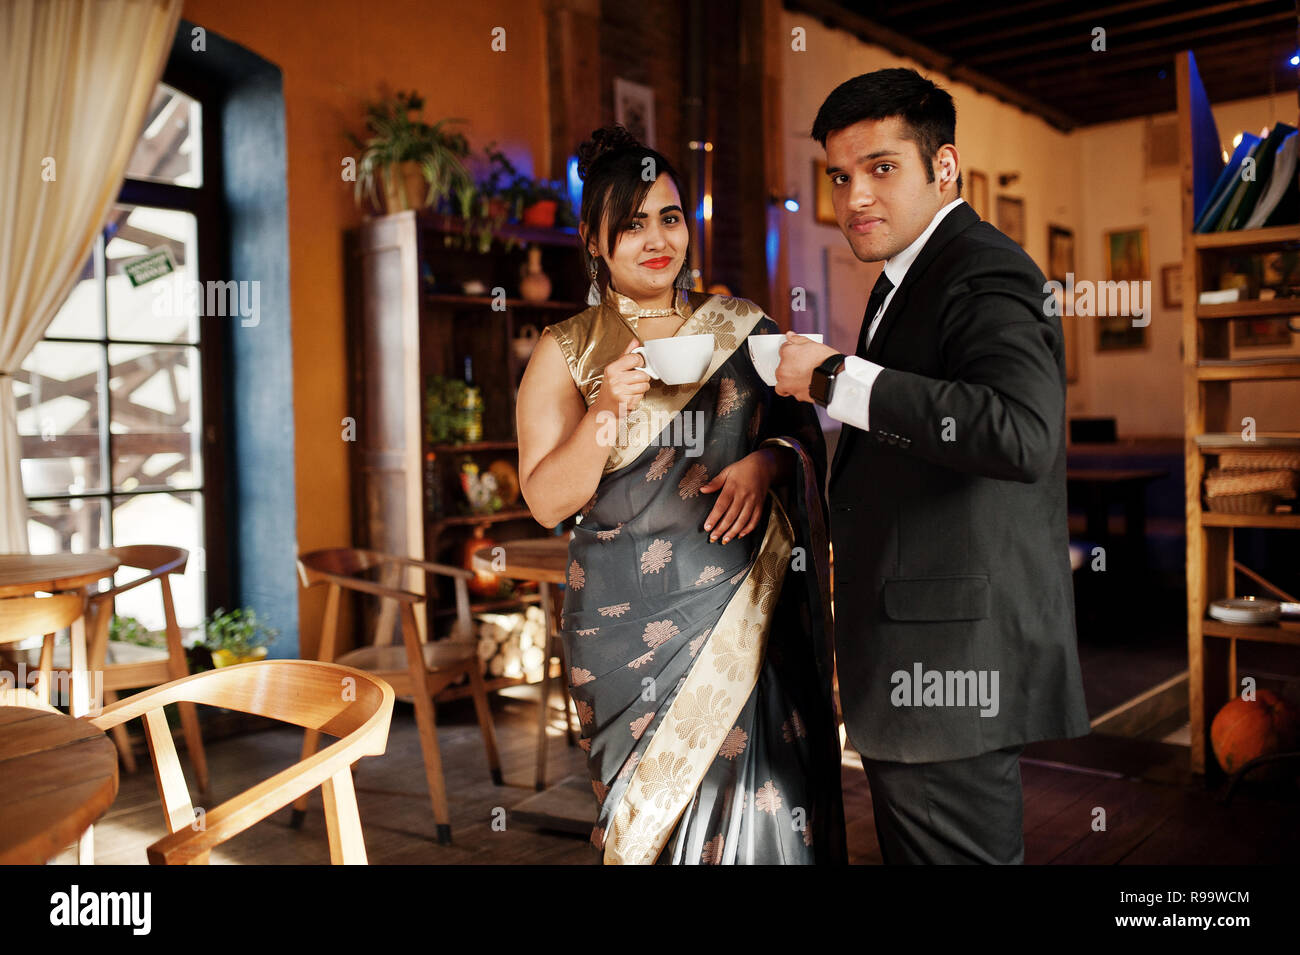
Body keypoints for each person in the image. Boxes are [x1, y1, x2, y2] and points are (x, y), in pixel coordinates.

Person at [776, 68, 1090, 864]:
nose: (854, 199)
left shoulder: (982, 268)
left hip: (950, 670)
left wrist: (828, 377)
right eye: (841, 177)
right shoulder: (902, 279)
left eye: (882, 169)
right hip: (923, 666)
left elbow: (1021, 432)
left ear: (943, 167)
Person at [517, 125, 846, 865]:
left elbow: (805, 435)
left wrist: (770, 462)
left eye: (669, 217)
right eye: (631, 224)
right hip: (621, 629)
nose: (657, 239)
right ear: (592, 240)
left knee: (768, 801)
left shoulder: (738, 326)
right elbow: (543, 500)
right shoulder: (565, 348)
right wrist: (605, 411)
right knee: (651, 826)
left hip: (742, 607)